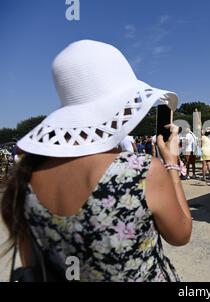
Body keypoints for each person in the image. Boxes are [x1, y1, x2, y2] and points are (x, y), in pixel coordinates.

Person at [1, 40, 191, 281]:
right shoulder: (139, 172)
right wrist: (171, 163)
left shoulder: (25, 180)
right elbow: (181, 234)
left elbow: (33, 264)